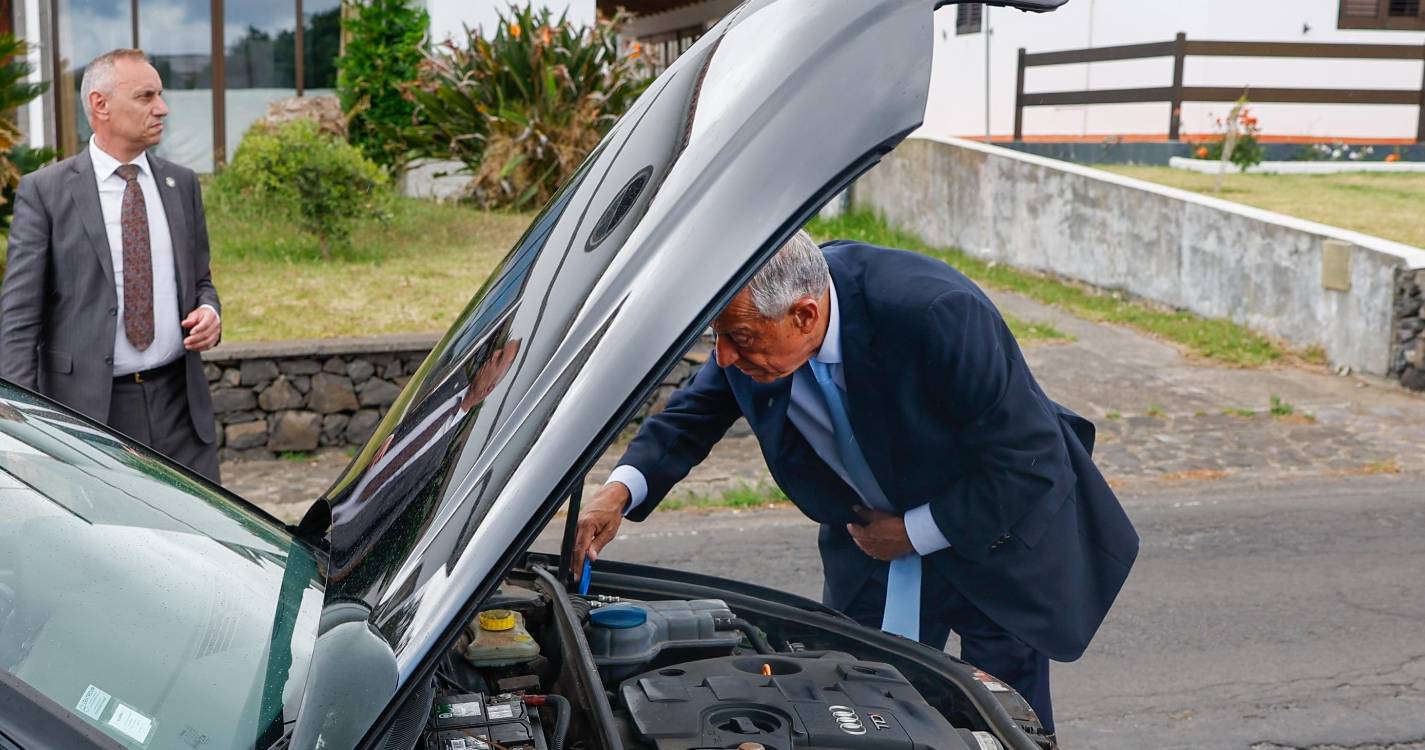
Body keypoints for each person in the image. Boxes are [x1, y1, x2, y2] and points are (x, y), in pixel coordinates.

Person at [574, 230, 1139, 739]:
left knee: (1002, 719)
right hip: (867, 543)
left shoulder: (935, 312)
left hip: (989, 536)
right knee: (845, 700)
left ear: (805, 315)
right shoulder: (752, 332)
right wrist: (617, 492)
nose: (723, 356)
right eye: (718, 336)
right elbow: (691, 416)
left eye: (738, 338)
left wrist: (913, 533)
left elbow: (1029, 459)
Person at [0, 48, 222, 480]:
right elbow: (19, 320)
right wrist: (22, 427)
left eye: (160, 94)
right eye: (145, 96)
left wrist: (210, 312)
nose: (162, 108)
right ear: (100, 104)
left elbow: (201, 282)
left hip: (181, 409)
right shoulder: (45, 193)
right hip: (89, 416)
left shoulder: (181, 184)